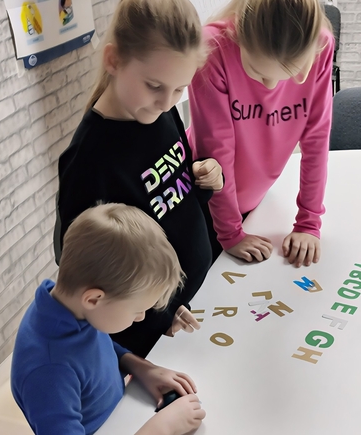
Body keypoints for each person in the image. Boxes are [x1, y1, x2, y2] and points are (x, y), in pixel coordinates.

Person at [55, 0, 223, 357]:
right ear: (114, 60)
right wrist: (157, 314)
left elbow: (174, 196)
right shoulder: (89, 158)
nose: (167, 102)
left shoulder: (160, 113)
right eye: (154, 85)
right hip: (145, 334)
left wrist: (204, 179)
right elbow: (84, 270)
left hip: (194, 304)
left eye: (179, 89)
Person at [11, 203, 206, 435]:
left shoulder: (68, 306)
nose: (141, 317)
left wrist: (142, 368)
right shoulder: (48, 373)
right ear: (94, 299)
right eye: (137, 310)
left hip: (119, 412)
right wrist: (163, 428)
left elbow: (95, 345)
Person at [188, 0, 334, 268]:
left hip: (256, 201)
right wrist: (230, 233)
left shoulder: (320, 44)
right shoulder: (213, 46)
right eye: (257, 72)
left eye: (288, 73)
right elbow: (216, 152)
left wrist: (309, 222)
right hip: (205, 202)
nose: (270, 86)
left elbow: (317, 138)